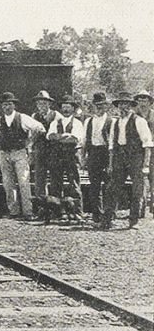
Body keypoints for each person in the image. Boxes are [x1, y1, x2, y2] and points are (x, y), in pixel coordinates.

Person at [0, 92, 46, 220]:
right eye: (5, 105)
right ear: (2, 106)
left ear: (14, 105)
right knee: (8, 183)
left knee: (23, 181)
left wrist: (30, 142)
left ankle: (28, 212)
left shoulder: (22, 117)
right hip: (4, 153)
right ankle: (14, 212)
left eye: (10, 104)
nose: (7, 107)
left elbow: (40, 128)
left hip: (20, 153)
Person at [103, 91, 153, 230]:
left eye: (126, 104)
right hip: (120, 157)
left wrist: (145, 165)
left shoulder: (139, 121)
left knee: (137, 190)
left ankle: (133, 220)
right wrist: (111, 163)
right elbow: (112, 145)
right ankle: (107, 218)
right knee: (113, 187)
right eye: (120, 105)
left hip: (136, 158)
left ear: (131, 106)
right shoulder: (116, 122)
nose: (123, 107)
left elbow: (147, 144)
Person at [46, 95, 85, 221]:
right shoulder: (55, 122)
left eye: (68, 107)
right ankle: (57, 212)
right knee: (56, 183)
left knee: (73, 183)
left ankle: (77, 211)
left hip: (71, 156)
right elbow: (50, 136)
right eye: (64, 107)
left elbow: (74, 139)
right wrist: (65, 136)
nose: (66, 109)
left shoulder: (78, 123)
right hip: (56, 156)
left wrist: (60, 137)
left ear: (73, 109)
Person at [80, 92, 112, 224]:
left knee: (109, 185)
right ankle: (96, 213)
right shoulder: (89, 121)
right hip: (93, 153)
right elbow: (85, 140)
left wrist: (111, 161)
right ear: (93, 106)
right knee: (94, 186)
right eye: (96, 105)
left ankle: (109, 213)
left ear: (106, 106)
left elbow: (112, 141)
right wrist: (83, 156)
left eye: (102, 105)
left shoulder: (112, 121)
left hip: (106, 153)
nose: (99, 108)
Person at [30, 90, 62, 212]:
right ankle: (41, 209)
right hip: (40, 150)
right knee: (39, 178)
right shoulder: (34, 116)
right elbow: (32, 134)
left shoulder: (56, 115)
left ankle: (56, 209)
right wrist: (31, 150)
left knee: (55, 178)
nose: (41, 106)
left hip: (53, 150)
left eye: (44, 103)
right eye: (39, 104)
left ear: (49, 104)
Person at [135, 90, 154, 218]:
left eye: (145, 100)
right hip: (139, 150)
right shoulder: (134, 116)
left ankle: (152, 205)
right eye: (140, 100)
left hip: (152, 150)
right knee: (140, 178)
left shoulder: (153, 115)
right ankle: (140, 208)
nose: (142, 103)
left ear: (149, 102)